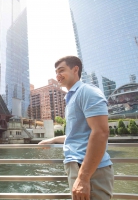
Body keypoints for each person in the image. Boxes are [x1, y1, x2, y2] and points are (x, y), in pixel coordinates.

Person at [39, 56, 114, 200]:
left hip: (90, 170)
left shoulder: (87, 91)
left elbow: (101, 132)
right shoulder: (71, 97)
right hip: (79, 167)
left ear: (75, 69)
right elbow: (77, 134)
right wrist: (52, 140)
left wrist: (83, 178)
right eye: (56, 72)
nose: (58, 75)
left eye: (61, 70)